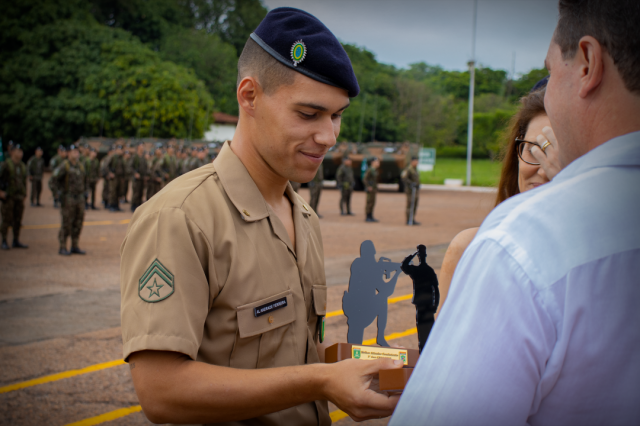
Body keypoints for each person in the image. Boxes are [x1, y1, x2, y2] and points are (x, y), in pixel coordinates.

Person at [121, 8, 402, 425]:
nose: (328, 136)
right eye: (309, 114)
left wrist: (377, 367)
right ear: (249, 96)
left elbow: (287, 351)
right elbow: (161, 392)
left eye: (336, 115)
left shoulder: (303, 215)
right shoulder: (181, 218)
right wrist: (319, 382)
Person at [391, 1, 640, 424]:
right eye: (533, 148)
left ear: (587, 64)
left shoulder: (521, 244)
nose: (545, 161)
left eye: (552, 69)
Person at [437, 85, 557, 317]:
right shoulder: (469, 248)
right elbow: (439, 350)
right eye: (534, 150)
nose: (543, 170)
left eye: (556, 154)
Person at [53, 144, 86, 256]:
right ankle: (62, 246)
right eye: (73, 151)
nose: (76, 153)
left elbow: (85, 181)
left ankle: (74, 245)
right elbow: (53, 180)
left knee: (78, 222)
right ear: (68, 153)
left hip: (79, 199)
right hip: (68, 198)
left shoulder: (80, 166)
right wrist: (57, 194)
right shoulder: (64, 166)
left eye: (77, 151)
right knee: (66, 223)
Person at [0, 143, 29, 250]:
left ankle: (16, 240)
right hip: (8, 197)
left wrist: (24, 193)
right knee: (6, 220)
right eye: (18, 151)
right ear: (12, 152)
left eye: (21, 151)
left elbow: (23, 182)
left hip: (19, 197)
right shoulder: (6, 165)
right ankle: (3, 240)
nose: (20, 153)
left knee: (18, 219)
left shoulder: (22, 166)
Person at [401, 156, 420, 225]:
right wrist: (410, 183)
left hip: (415, 189)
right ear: (412, 161)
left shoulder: (415, 169)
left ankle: (412, 218)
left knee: (415, 204)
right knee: (410, 204)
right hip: (410, 190)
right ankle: (408, 219)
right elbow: (404, 177)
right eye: (416, 161)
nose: (417, 162)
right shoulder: (408, 169)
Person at [107, 144, 125, 211]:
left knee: (118, 192)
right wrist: (110, 173)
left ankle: (117, 206)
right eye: (119, 149)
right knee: (113, 192)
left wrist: (123, 177)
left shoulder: (121, 158)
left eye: (121, 149)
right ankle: (111, 205)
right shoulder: (113, 157)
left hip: (119, 177)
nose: (120, 151)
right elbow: (106, 166)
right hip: (114, 177)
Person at [363, 156, 380, 222]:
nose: (378, 163)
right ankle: (368, 217)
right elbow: (365, 179)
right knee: (369, 202)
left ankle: (371, 216)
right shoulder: (370, 170)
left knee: (372, 203)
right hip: (370, 189)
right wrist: (368, 186)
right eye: (377, 162)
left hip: (373, 189)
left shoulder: (374, 170)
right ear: (372, 162)